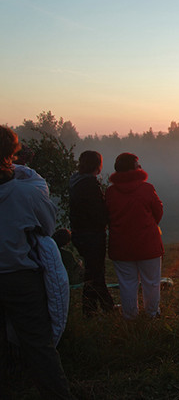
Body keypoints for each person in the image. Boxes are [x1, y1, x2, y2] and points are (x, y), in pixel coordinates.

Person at [0, 125, 74, 399]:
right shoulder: (27, 194)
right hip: (20, 277)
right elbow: (46, 225)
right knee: (38, 344)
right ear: (12, 153)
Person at [105, 153, 164, 320]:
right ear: (133, 169)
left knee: (126, 283)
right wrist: (149, 226)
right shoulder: (147, 188)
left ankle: (130, 315)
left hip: (121, 246)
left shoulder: (110, 192)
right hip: (148, 245)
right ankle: (152, 313)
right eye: (138, 165)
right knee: (151, 282)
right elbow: (158, 211)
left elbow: (107, 216)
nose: (141, 167)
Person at [69, 150, 114, 316]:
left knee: (92, 271)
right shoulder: (89, 185)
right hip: (92, 235)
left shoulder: (76, 182)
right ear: (98, 165)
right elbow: (98, 213)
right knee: (96, 273)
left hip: (80, 233)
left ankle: (90, 310)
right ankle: (106, 307)